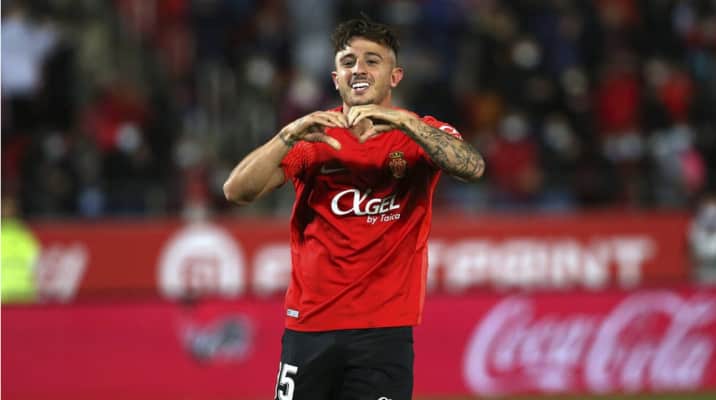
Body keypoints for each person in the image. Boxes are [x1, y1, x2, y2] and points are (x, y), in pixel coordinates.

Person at [223, 17, 485, 400]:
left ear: (395, 76)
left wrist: (403, 122)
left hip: (384, 334)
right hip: (309, 327)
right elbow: (236, 191)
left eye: (371, 60)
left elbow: (472, 167)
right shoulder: (312, 138)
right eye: (348, 62)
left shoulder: (419, 134)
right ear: (336, 78)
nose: (358, 69)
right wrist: (286, 135)